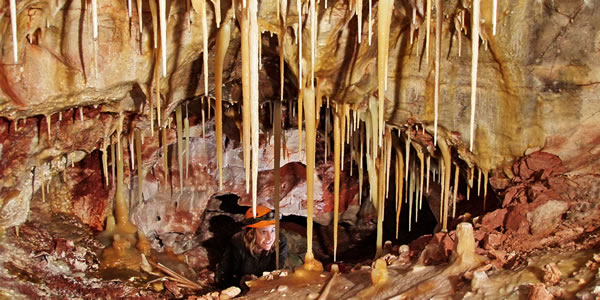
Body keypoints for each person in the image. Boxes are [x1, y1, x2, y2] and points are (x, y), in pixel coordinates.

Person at [215, 205, 288, 289]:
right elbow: (223, 275)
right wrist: (240, 282)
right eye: (263, 232)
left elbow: (276, 271)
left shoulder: (280, 241)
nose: (270, 237)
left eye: (272, 230)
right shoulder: (238, 242)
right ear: (251, 233)